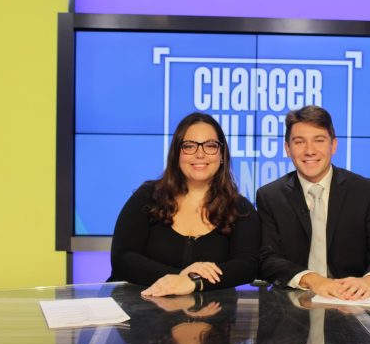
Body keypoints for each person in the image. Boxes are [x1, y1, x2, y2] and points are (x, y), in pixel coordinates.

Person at [257, 105, 370, 300]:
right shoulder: (270, 196)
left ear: (333, 145)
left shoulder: (364, 191)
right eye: (299, 142)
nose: (309, 151)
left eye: (319, 140)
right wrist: (313, 280)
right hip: (294, 308)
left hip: (353, 304)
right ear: (287, 148)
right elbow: (266, 259)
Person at [108, 113, 260, 296]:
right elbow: (122, 258)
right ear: (176, 154)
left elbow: (247, 266)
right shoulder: (148, 196)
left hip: (212, 318)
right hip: (142, 312)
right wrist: (182, 277)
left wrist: (194, 282)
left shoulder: (240, 209)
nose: (200, 154)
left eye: (210, 146)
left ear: (221, 155)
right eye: (189, 146)